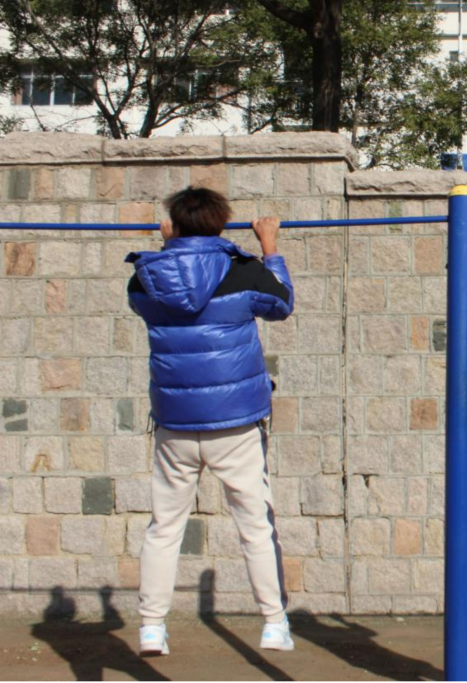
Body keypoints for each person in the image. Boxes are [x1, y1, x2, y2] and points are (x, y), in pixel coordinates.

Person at [126, 187, 295, 656]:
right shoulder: (242, 270)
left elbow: (157, 296)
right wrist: (270, 248)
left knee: (164, 528)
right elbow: (281, 304)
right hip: (234, 423)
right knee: (255, 525)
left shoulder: (145, 278)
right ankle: (274, 623)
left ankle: (152, 627)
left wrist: (170, 250)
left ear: (174, 225)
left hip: (176, 425)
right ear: (221, 225)